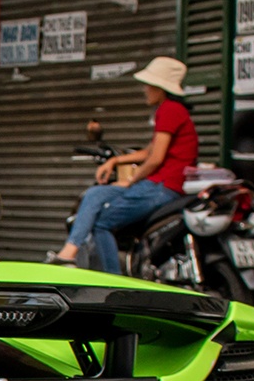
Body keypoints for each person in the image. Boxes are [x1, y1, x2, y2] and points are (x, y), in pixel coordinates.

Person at [50, 56, 199, 272]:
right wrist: (115, 160)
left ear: (160, 88)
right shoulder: (171, 111)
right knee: (95, 194)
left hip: (161, 187)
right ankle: (70, 251)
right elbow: (148, 151)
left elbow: (155, 159)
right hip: (158, 186)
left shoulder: (169, 110)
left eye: (149, 85)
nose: (145, 90)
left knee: (102, 222)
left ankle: (115, 280)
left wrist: (130, 182)